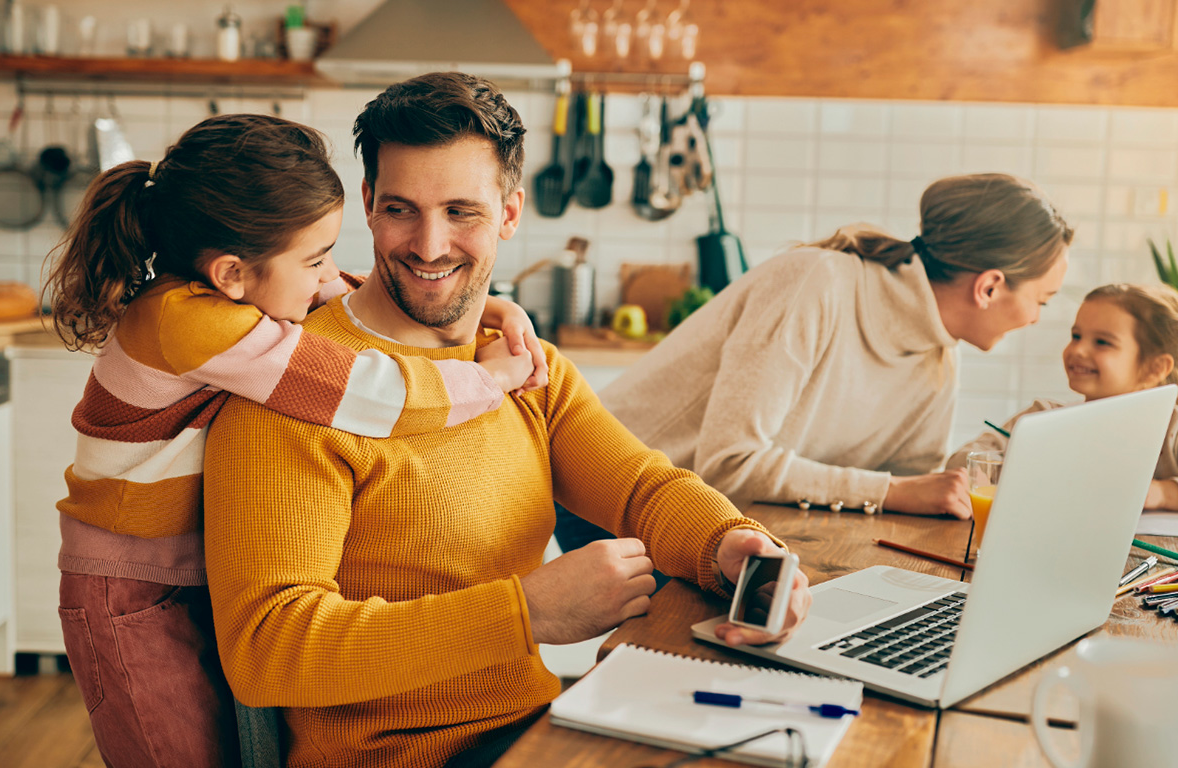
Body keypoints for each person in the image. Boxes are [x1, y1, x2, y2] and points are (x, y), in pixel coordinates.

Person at [201, 72, 812, 768]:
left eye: (461, 211)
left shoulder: (521, 365)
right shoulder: (298, 389)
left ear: (510, 212)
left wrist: (732, 544)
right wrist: (526, 612)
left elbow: (642, 488)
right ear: (367, 204)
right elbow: (268, 652)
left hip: (536, 731)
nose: (429, 245)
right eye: (401, 209)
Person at [45, 113, 546, 768]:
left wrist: (482, 306)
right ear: (232, 273)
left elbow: (342, 296)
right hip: (127, 592)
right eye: (315, 259)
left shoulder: (226, 291)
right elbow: (365, 392)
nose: (325, 274)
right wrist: (488, 379)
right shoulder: (190, 322)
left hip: (178, 571)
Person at [562, 173, 1072, 554]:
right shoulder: (817, 283)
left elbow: (910, 487)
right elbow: (731, 463)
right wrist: (895, 490)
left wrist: (1005, 445)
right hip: (614, 492)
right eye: (1042, 301)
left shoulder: (939, 351)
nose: (1036, 319)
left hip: (723, 511)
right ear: (989, 287)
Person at [947, 282, 1178, 509]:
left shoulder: (1173, 431)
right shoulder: (1042, 418)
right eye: (1076, 336)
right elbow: (963, 462)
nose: (1077, 350)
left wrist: (1160, 494)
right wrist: (1011, 473)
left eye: (1102, 342)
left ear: (1155, 368)